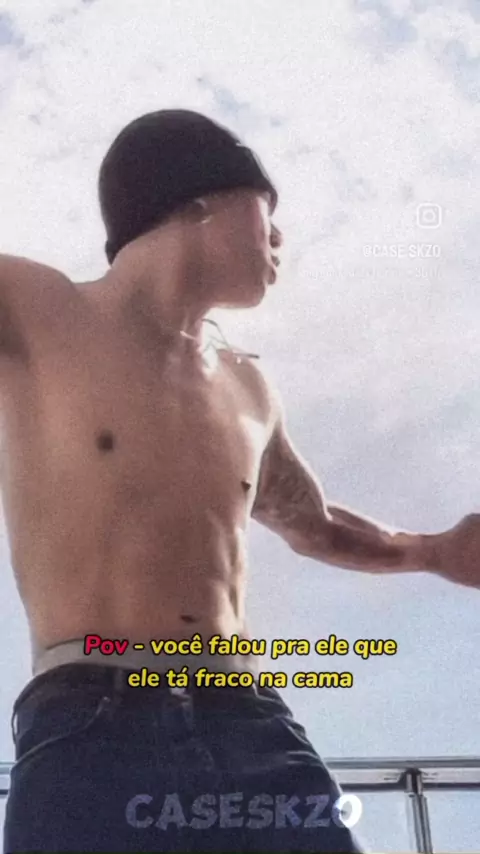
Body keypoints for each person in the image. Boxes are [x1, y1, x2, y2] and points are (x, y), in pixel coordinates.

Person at [2, 109, 479, 854]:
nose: (279, 238)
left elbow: (317, 524)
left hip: (248, 720)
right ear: (200, 201)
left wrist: (433, 552)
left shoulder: (248, 389)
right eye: (267, 209)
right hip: (90, 725)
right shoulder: (36, 309)